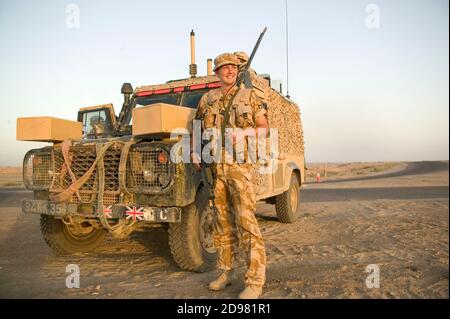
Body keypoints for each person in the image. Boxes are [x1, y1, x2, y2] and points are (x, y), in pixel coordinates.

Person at [191, 53, 269, 299]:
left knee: (246, 222)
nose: (229, 71)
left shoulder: (249, 96)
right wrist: (194, 150)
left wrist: (244, 133)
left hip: (239, 169)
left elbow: (264, 129)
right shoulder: (207, 99)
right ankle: (226, 272)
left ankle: (255, 281)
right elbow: (196, 127)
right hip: (216, 169)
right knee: (221, 223)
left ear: (237, 71)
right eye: (224, 68)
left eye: (233, 68)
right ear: (216, 72)